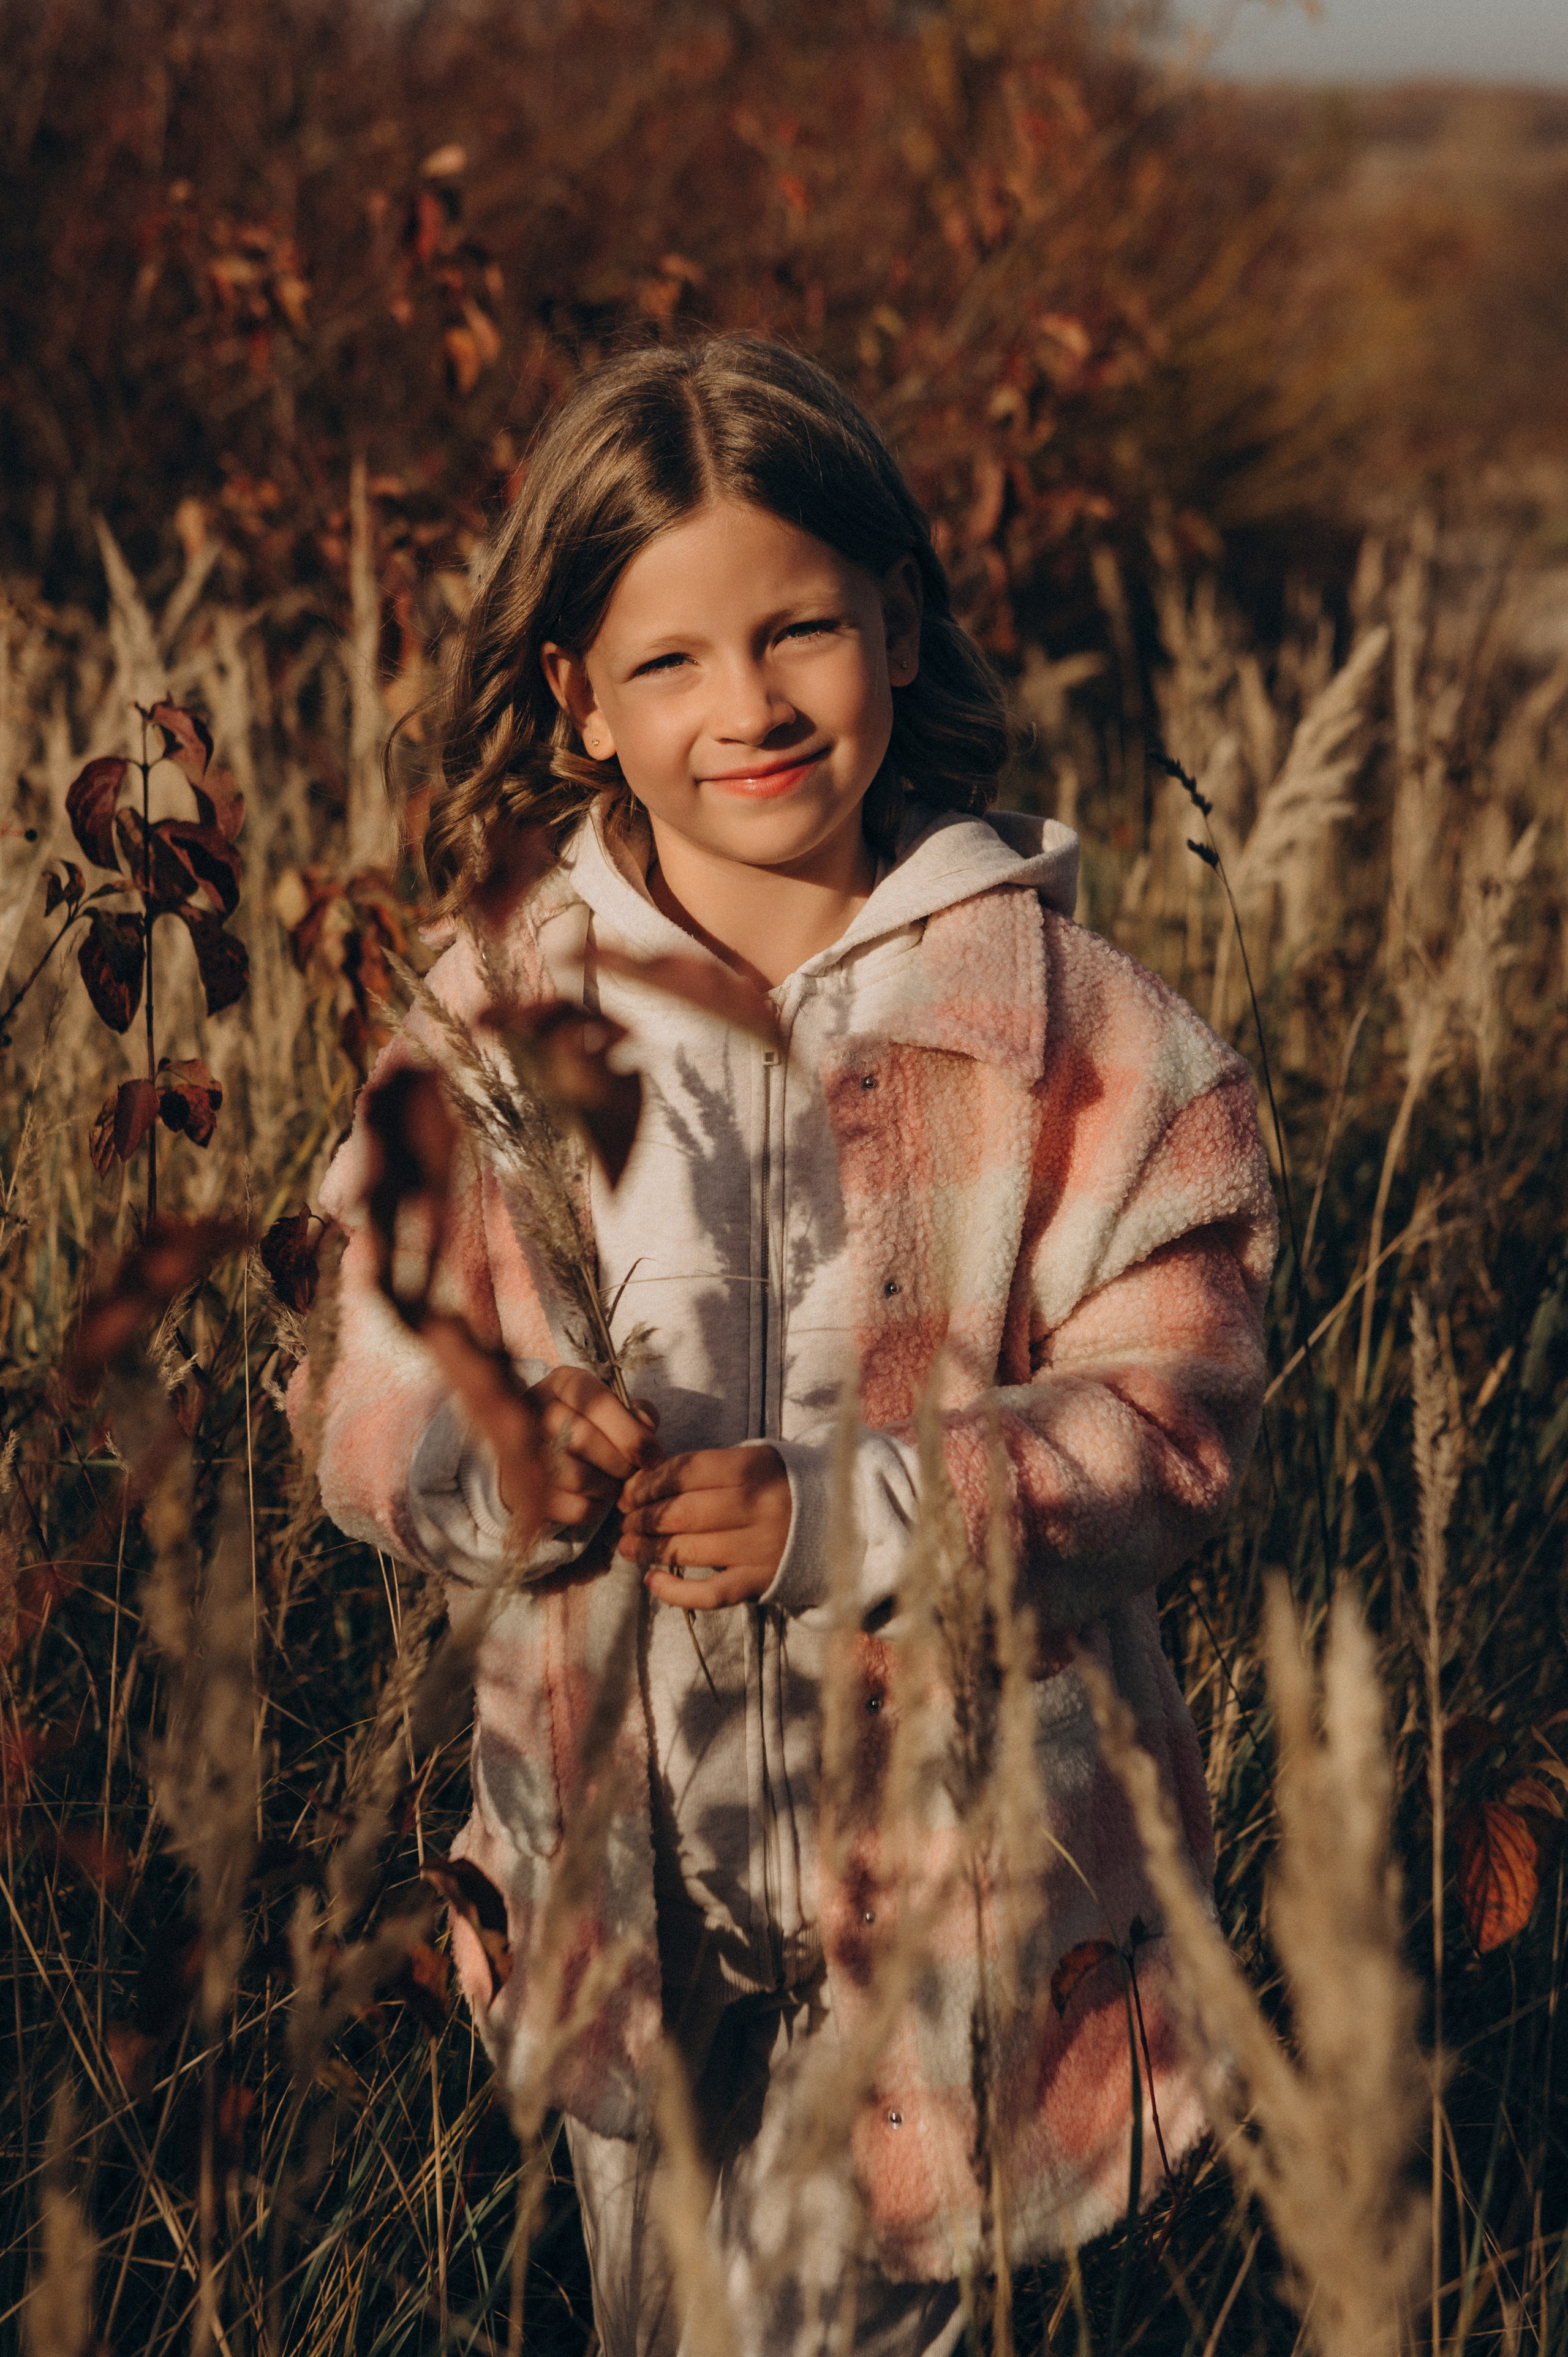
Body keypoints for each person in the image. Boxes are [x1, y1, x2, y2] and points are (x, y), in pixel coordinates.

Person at [300, 334, 1276, 2357]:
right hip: (615, 1864)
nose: (744, 706)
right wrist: (497, 1457)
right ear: (573, 698)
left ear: (898, 624)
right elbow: (370, 1380)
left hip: (958, 1893)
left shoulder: (1085, 1035)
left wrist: (877, 1508)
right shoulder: (494, 1028)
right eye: (665, 661)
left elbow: (1177, 1414)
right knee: (664, 2311)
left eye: (800, 630)